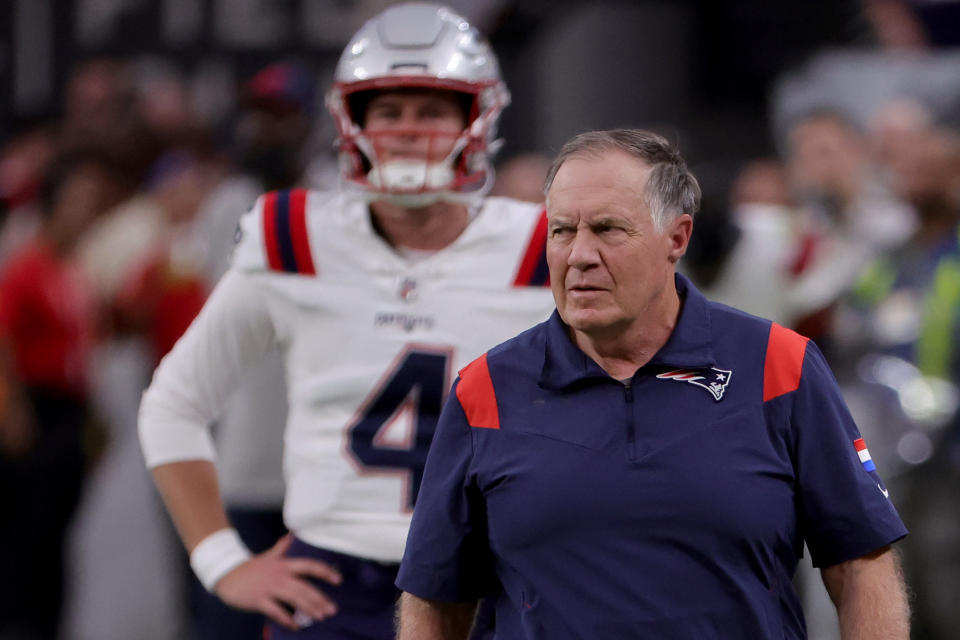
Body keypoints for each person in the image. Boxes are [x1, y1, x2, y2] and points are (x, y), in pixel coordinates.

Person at [136, 3, 555, 639]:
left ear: (478, 119)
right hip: (337, 581)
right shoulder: (295, 236)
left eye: (433, 110)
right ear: (350, 122)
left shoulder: (544, 248)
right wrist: (224, 563)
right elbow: (173, 404)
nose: (409, 131)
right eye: (387, 111)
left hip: (491, 577)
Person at [396, 129, 911, 639]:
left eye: (607, 229)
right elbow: (436, 598)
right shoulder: (485, 389)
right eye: (562, 231)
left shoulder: (781, 366)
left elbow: (862, 563)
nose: (579, 255)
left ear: (677, 238)